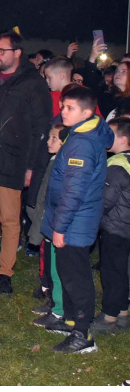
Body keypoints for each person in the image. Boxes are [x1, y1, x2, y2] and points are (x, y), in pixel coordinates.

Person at [0, 31, 52, 295]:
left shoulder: (32, 83)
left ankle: (6, 270)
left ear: (17, 52)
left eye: (2, 50)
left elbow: (41, 126)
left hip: (15, 160)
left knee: (9, 218)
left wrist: (31, 166)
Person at [39, 86, 112, 353]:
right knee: (67, 273)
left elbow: (74, 191)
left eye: (70, 108)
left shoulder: (82, 143)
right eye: (63, 106)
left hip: (74, 222)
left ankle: (83, 335)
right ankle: (70, 320)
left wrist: (60, 227)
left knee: (76, 277)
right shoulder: (83, 132)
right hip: (74, 219)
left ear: (87, 112)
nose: (63, 111)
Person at [90, 117, 130, 333]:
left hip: (115, 228)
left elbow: (105, 200)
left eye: (111, 134)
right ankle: (123, 312)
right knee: (123, 270)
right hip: (127, 227)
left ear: (123, 139)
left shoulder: (116, 165)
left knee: (112, 272)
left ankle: (109, 316)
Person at [28, 124, 67, 323]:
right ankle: (53, 301)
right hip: (50, 221)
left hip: (56, 223)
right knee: (51, 267)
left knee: (58, 269)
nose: (48, 142)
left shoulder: (60, 164)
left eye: (54, 138)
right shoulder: (53, 161)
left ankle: (59, 309)